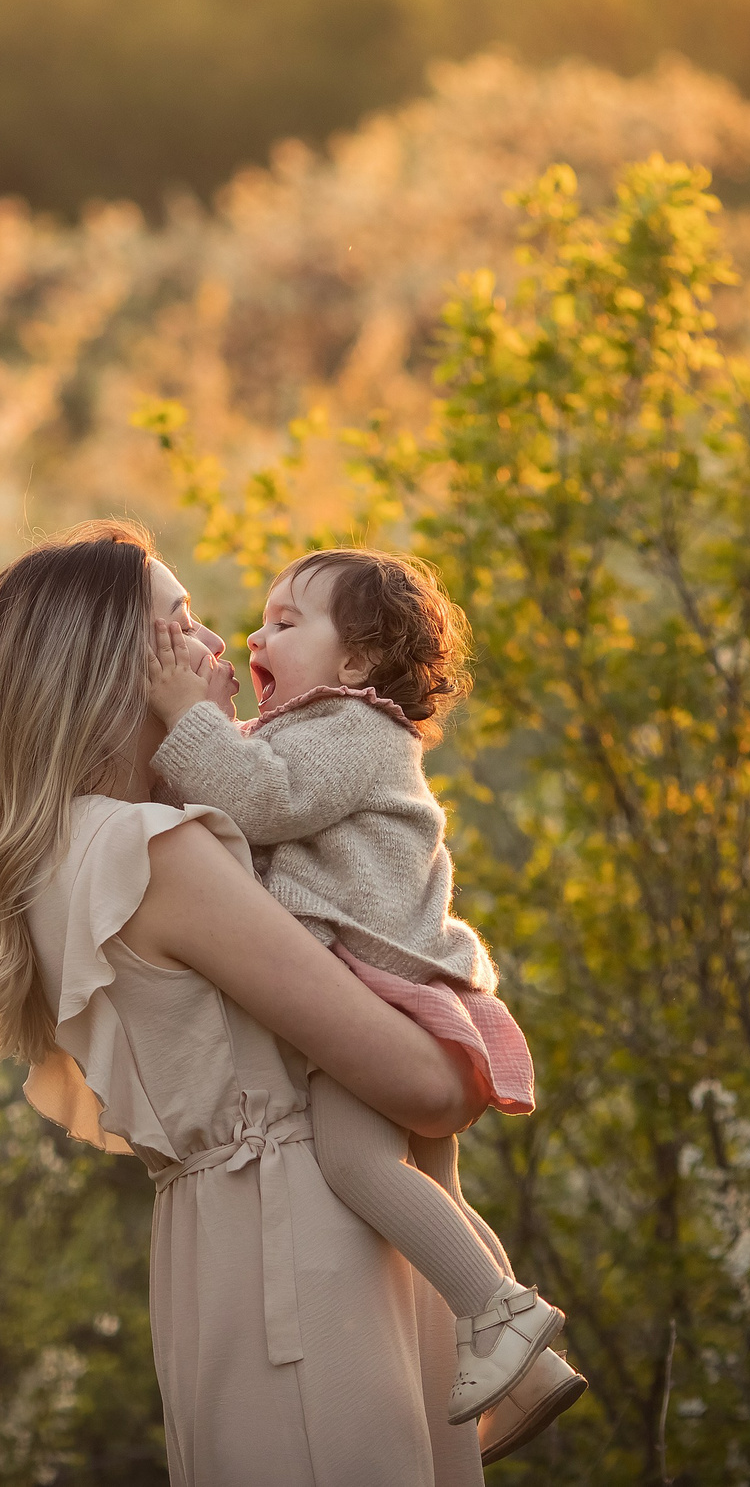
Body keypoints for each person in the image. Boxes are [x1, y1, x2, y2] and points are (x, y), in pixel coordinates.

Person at [0, 521, 545, 1482]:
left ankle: (499, 1313)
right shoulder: (159, 856)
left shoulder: (70, 852)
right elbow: (425, 1088)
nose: (221, 646)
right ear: (116, 668)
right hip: (307, 1255)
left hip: (224, 1254)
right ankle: (504, 1307)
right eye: (183, 627)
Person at [145, 548, 587, 1440]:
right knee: (432, 1190)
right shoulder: (323, 731)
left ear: (353, 664)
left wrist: (183, 717)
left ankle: (499, 1314)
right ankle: (525, 1361)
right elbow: (253, 792)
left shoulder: (353, 726)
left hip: (383, 992)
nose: (255, 634)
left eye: (284, 623)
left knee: (354, 1161)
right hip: (406, 986)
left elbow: (259, 804)